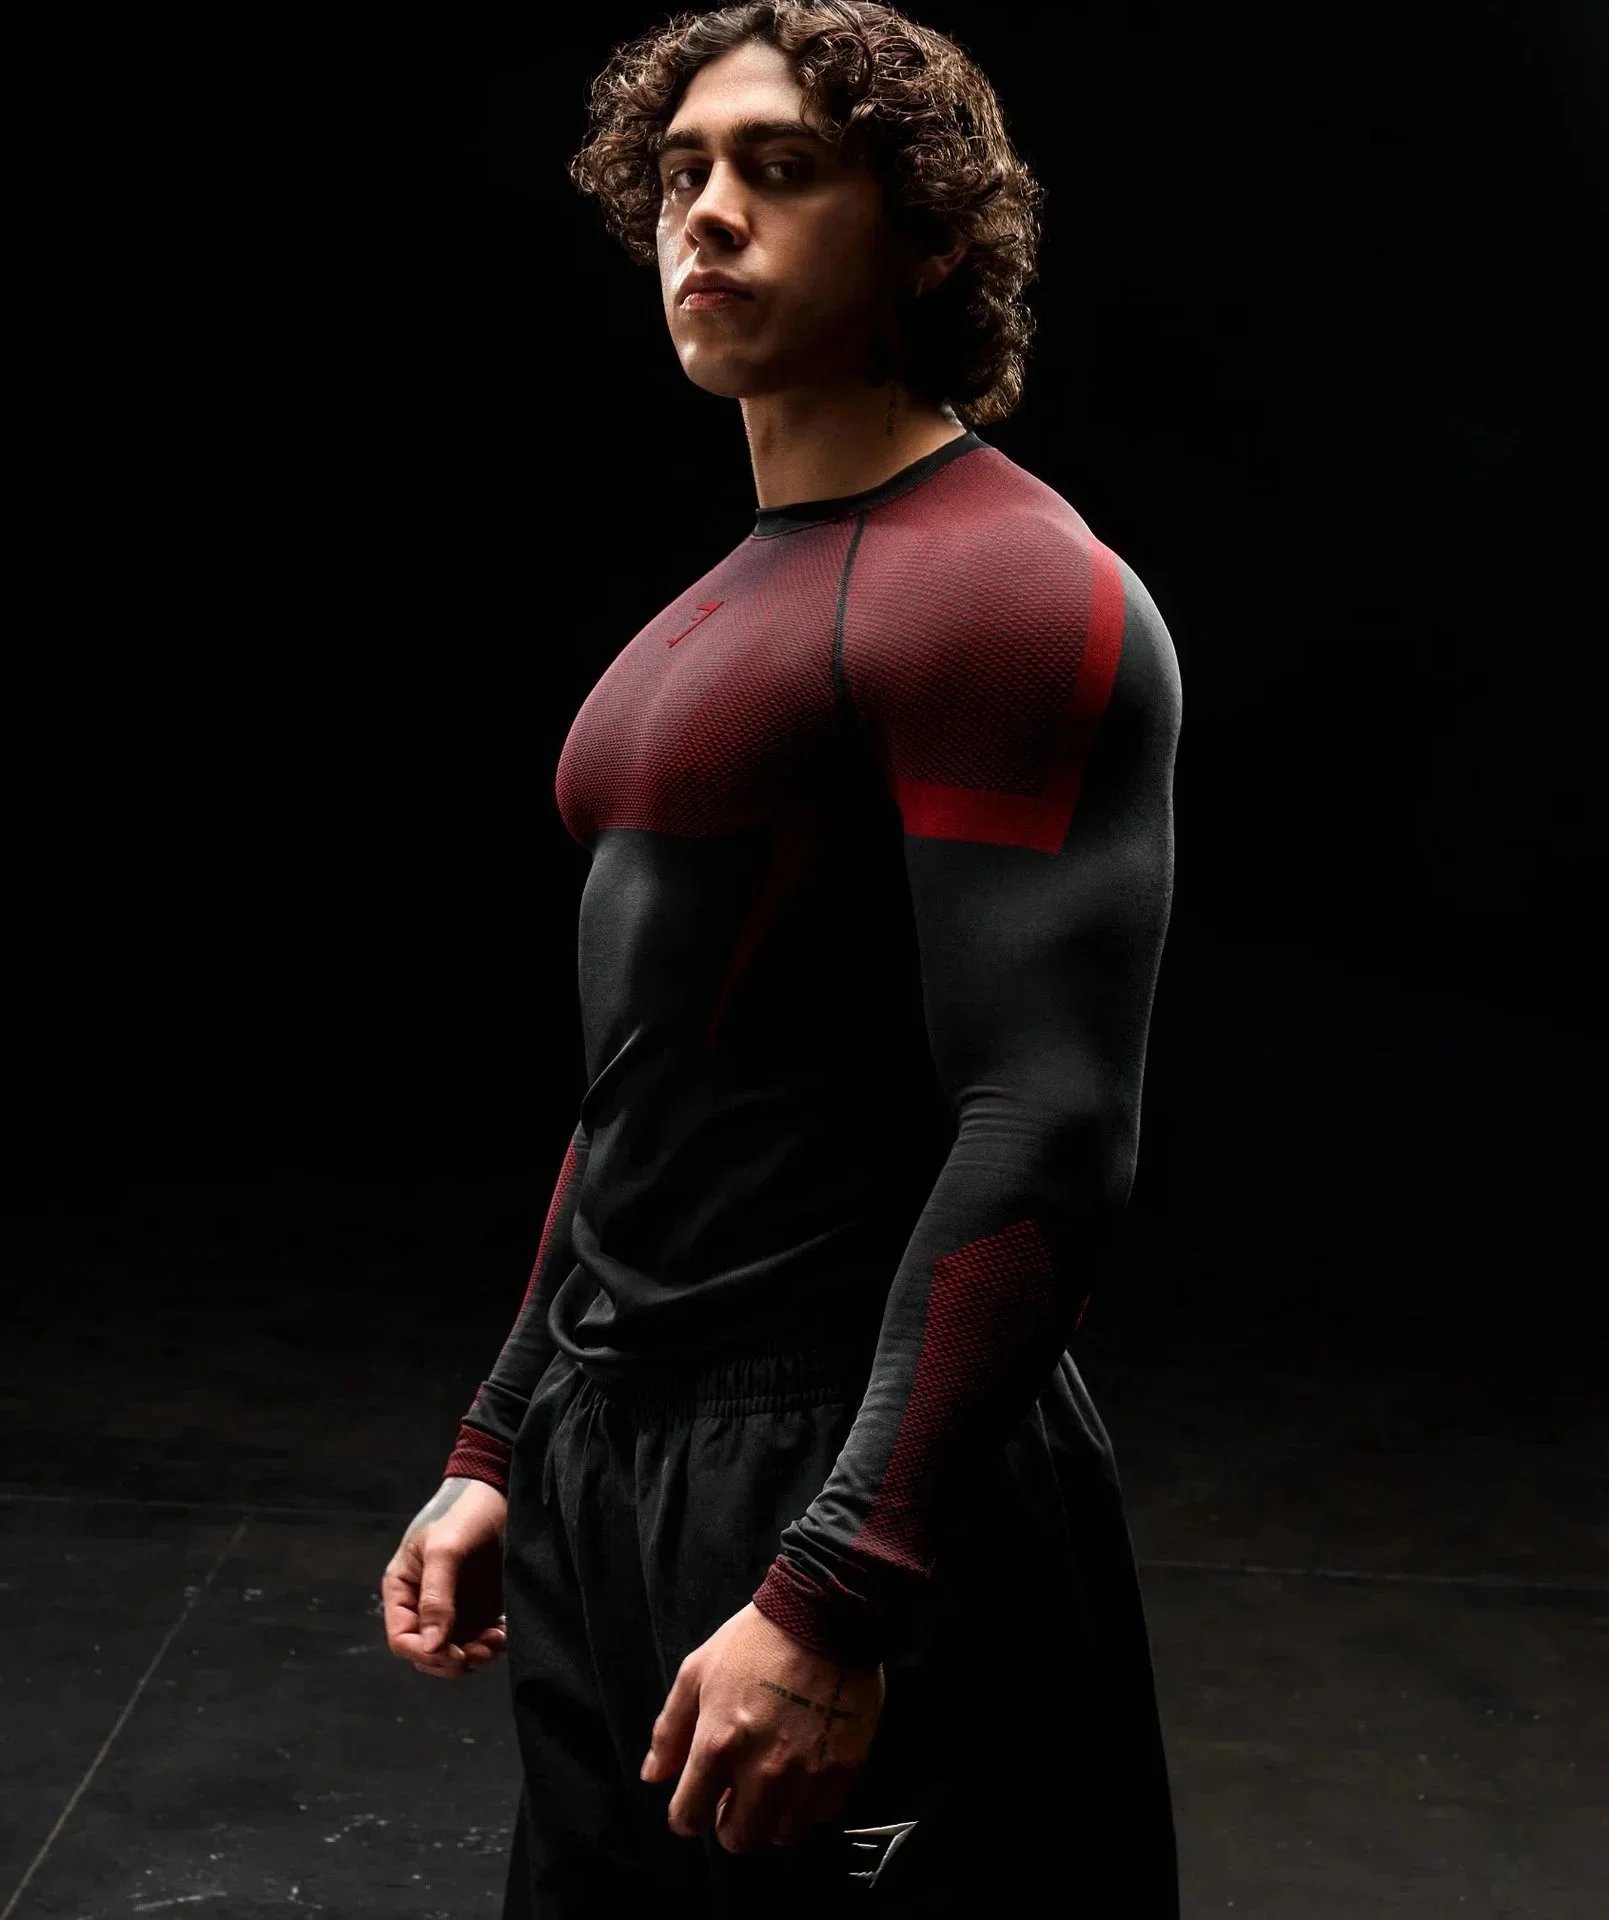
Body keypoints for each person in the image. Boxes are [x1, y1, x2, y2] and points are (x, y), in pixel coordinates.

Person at [381, 4, 1183, 1913]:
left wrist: (839, 1589)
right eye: (678, 174)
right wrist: (504, 1437)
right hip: (617, 1456)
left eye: (780, 169)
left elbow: (1046, 1125)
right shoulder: (715, 609)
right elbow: (646, 1091)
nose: (707, 214)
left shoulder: (1002, 591)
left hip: (846, 1465)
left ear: (930, 232)